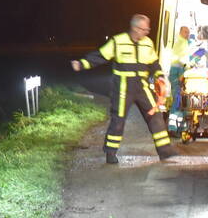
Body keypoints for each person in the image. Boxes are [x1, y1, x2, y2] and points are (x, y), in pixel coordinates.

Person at [71, 14, 178, 164]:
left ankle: (165, 151)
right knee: (118, 120)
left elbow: (154, 63)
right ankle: (110, 152)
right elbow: (101, 56)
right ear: (135, 28)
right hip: (122, 87)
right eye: (144, 29)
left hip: (142, 86)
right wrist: (82, 63)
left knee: (156, 116)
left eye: (148, 29)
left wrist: (160, 76)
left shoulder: (148, 43)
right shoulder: (118, 41)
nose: (147, 32)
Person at [168, 26, 191, 114]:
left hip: (179, 70)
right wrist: (188, 66)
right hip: (177, 71)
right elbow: (181, 59)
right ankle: (173, 123)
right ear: (180, 32)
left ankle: (181, 121)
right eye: (185, 32)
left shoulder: (184, 42)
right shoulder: (180, 42)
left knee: (181, 95)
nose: (187, 34)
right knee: (177, 95)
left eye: (188, 32)